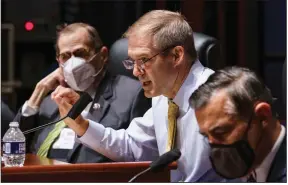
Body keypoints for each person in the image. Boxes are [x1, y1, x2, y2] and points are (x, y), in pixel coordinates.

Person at [50, 10, 225, 182]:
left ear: (176, 55)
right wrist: (81, 124)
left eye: (144, 60)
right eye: (133, 62)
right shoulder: (164, 96)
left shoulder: (217, 98)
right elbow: (131, 147)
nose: (135, 71)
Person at [14, 23, 151, 163]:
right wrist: (38, 93)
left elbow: (138, 154)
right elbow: (12, 149)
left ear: (103, 55)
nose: (73, 63)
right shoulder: (51, 102)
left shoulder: (132, 94)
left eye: (80, 54)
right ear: (58, 61)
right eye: (65, 56)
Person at [190, 66, 286, 182]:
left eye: (221, 132)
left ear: (262, 116)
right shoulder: (237, 174)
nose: (215, 149)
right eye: (206, 136)